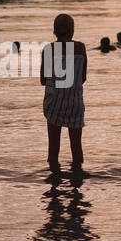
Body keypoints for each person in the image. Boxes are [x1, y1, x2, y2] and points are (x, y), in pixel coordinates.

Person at [41, 13, 87, 172]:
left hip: (54, 103)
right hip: (75, 103)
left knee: (53, 149)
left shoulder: (49, 49)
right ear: (72, 30)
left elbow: (43, 80)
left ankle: (53, 187)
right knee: (76, 148)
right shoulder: (80, 48)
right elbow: (83, 78)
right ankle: (77, 187)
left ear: (54, 31)